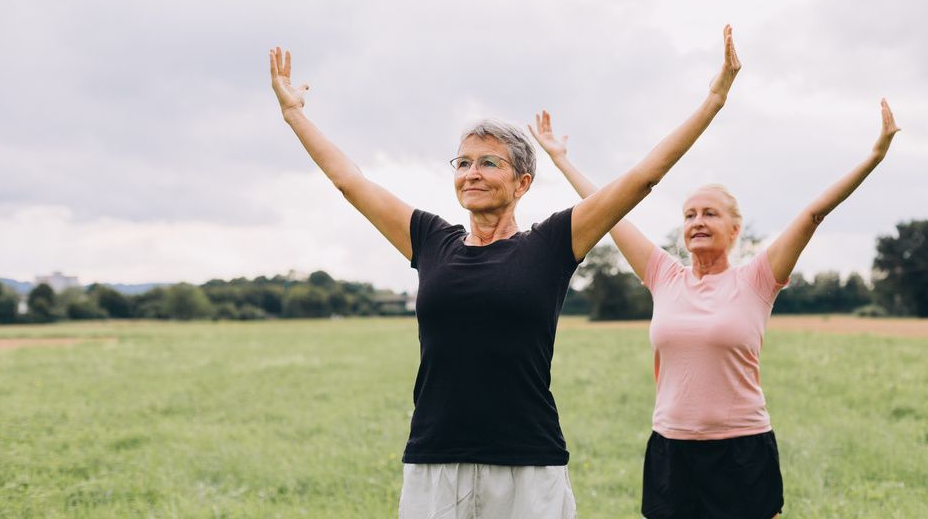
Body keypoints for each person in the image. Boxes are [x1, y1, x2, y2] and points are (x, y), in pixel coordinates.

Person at [268, 26, 742, 519]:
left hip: (527, 463)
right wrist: (294, 114)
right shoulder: (431, 239)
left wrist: (713, 100)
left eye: (488, 162)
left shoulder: (552, 244)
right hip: (437, 459)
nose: (471, 172)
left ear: (523, 182)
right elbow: (350, 181)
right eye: (463, 162)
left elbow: (642, 178)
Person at [531, 99, 900, 519]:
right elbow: (610, 212)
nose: (697, 222)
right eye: (689, 215)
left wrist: (873, 157)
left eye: (710, 213)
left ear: (735, 228)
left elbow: (813, 214)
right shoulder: (663, 275)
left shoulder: (758, 278)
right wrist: (562, 160)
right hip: (671, 447)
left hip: (741, 448)